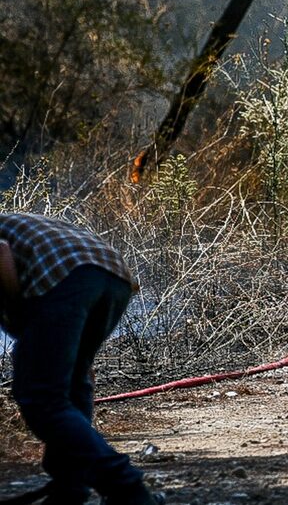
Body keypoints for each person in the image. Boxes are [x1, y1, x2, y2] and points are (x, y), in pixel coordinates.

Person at [0, 213, 162, 505]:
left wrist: (23, 323)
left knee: (40, 396)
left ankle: (127, 488)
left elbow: (1, 254)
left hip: (65, 275)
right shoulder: (17, 221)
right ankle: (70, 487)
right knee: (74, 382)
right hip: (113, 275)